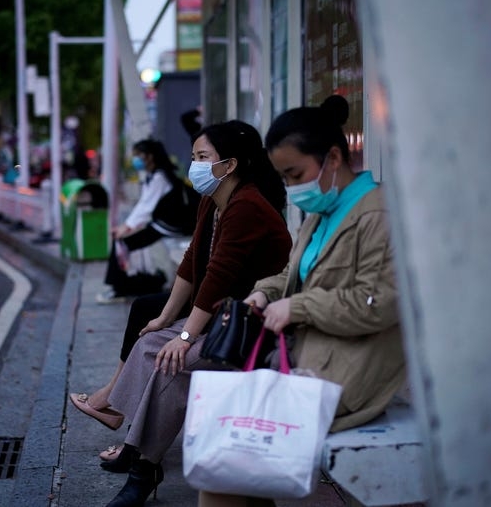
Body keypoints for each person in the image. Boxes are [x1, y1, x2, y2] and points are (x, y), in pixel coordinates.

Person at [198, 95, 406, 506]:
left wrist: (297, 307)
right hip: (307, 361)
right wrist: (266, 292)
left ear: (332, 158)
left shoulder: (376, 213)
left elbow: (380, 302)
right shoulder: (324, 212)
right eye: (285, 178)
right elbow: (294, 275)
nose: (293, 189)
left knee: (226, 460)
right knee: (231, 457)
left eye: (295, 175)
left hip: (345, 376)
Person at [71, 120, 292, 507]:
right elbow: (194, 263)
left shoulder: (247, 205)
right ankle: (136, 451)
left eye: (203, 157)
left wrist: (185, 335)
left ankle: (143, 468)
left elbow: (218, 276)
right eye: (193, 157)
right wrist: (165, 320)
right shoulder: (214, 199)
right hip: (225, 318)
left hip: (255, 327)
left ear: (230, 164)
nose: (195, 165)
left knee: (172, 360)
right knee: (148, 343)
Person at [97, 139, 185, 304]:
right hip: (162, 225)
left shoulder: (160, 177)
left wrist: (127, 227)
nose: (135, 159)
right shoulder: (153, 176)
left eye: (138, 155)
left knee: (123, 242)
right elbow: (143, 205)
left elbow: (146, 207)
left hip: (168, 226)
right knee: (123, 242)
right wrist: (126, 226)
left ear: (149, 157)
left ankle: (119, 289)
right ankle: (119, 287)